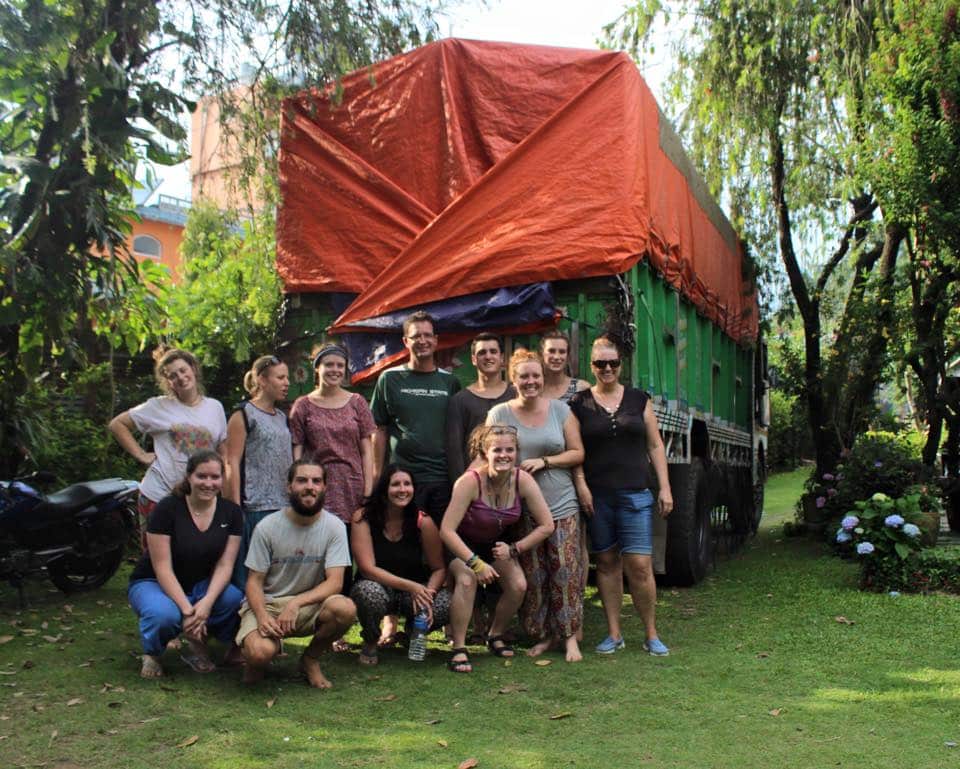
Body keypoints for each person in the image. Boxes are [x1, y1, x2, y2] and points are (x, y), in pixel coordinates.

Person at [569, 337, 674, 656]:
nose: (607, 368)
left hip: (636, 495)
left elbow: (655, 446)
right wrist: (582, 483)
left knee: (640, 565)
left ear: (621, 364)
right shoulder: (579, 404)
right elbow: (575, 451)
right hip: (598, 497)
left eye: (613, 362)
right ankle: (614, 634)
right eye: (600, 363)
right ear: (591, 366)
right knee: (606, 562)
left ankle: (651, 633)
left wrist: (665, 487)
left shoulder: (639, 400)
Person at [487, 349, 587, 662]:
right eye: (524, 376)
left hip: (561, 504)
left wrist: (544, 461)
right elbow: (487, 455)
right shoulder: (499, 414)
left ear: (543, 378)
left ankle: (570, 638)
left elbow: (578, 453)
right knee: (536, 578)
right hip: (521, 510)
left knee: (565, 573)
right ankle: (545, 635)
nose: (531, 382)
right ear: (513, 380)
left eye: (536, 376)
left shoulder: (560, 411)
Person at [440, 425, 554, 672]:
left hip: (494, 544)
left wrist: (515, 549)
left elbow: (547, 525)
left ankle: (495, 633)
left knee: (518, 585)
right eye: (497, 450)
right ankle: (459, 647)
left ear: (517, 453)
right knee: (468, 580)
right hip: (461, 544)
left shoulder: (522, 480)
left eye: (510, 450)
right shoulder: (469, 483)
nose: (504, 455)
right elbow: (446, 530)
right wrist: (475, 563)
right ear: (484, 452)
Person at [238, 457, 357, 689]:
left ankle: (310, 659)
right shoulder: (268, 527)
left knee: (345, 608)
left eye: (316, 481)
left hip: (308, 606)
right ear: (289, 486)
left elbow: (335, 583)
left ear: (324, 487)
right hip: (269, 604)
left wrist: (296, 604)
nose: (309, 486)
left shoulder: (335, 527)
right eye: (302, 480)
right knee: (259, 654)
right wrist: (262, 617)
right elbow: (254, 582)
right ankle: (260, 656)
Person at [127, 450, 244, 679]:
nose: (208, 483)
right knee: (164, 615)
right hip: (155, 581)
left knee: (232, 600)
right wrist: (189, 611)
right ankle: (153, 652)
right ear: (189, 476)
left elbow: (225, 565)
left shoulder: (231, 513)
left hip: (201, 584)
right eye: (202, 476)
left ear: (223, 479)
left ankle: (198, 640)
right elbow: (162, 567)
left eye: (215, 477)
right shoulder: (167, 509)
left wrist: (206, 604)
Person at [110, 347, 227, 546]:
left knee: (194, 557)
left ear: (193, 369)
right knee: (156, 562)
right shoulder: (158, 406)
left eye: (183, 370)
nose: (180, 377)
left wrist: (222, 484)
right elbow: (117, 424)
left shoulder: (215, 407)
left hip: (199, 498)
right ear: (168, 382)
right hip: (159, 495)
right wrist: (141, 454)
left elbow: (222, 450)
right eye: (172, 375)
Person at [349, 466, 452, 665]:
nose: (402, 489)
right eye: (395, 484)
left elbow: (439, 568)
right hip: (379, 588)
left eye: (407, 484)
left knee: (447, 601)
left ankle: (415, 633)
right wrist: (411, 586)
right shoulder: (363, 518)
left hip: (411, 595)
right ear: (384, 489)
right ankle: (370, 639)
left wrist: (427, 595)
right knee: (367, 592)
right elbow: (366, 568)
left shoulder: (423, 521)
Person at [371, 310, 461, 525]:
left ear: (436, 340)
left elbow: (458, 430)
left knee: (441, 543)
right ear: (405, 341)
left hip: (441, 478)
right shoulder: (389, 378)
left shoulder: (450, 382)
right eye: (416, 336)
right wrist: (377, 476)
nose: (423, 341)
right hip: (403, 481)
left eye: (428, 335)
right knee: (406, 540)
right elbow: (379, 429)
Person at [224, 354, 293, 588]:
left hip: (283, 507)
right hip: (253, 508)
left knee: (275, 577)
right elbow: (231, 461)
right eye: (280, 377)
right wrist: (234, 508)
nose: (287, 383)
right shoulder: (243, 414)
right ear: (262, 380)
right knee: (250, 576)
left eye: (287, 378)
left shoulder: (283, 418)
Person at [446, 332, 516, 482]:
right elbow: (455, 453)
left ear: (502, 357)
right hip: (475, 483)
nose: (488, 356)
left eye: (493, 351)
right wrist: (462, 487)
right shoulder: (460, 400)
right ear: (473, 359)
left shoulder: (515, 394)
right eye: (482, 352)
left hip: (512, 482)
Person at [540, 330, 589, 402]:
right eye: (551, 351)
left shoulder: (581, 388)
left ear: (568, 356)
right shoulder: (534, 389)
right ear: (542, 354)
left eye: (562, 352)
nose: (556, 357)